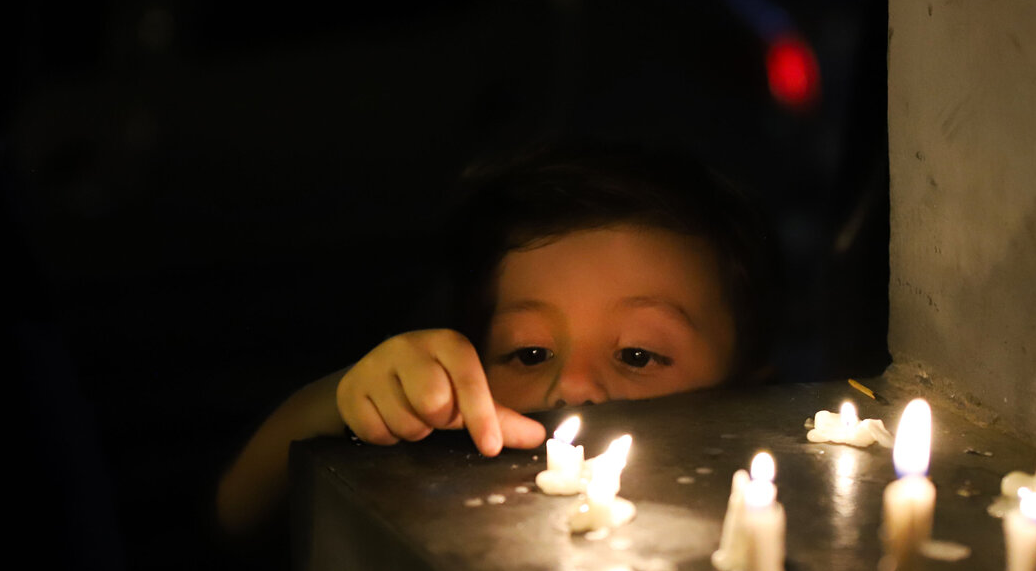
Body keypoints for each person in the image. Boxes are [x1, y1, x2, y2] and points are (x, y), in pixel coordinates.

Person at [216, 141, 779, 533]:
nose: (573, 387)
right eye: (531, 353)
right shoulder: (453, 493)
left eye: (637, 354)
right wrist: (344, 399)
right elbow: (233, 520)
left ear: (753, 393)